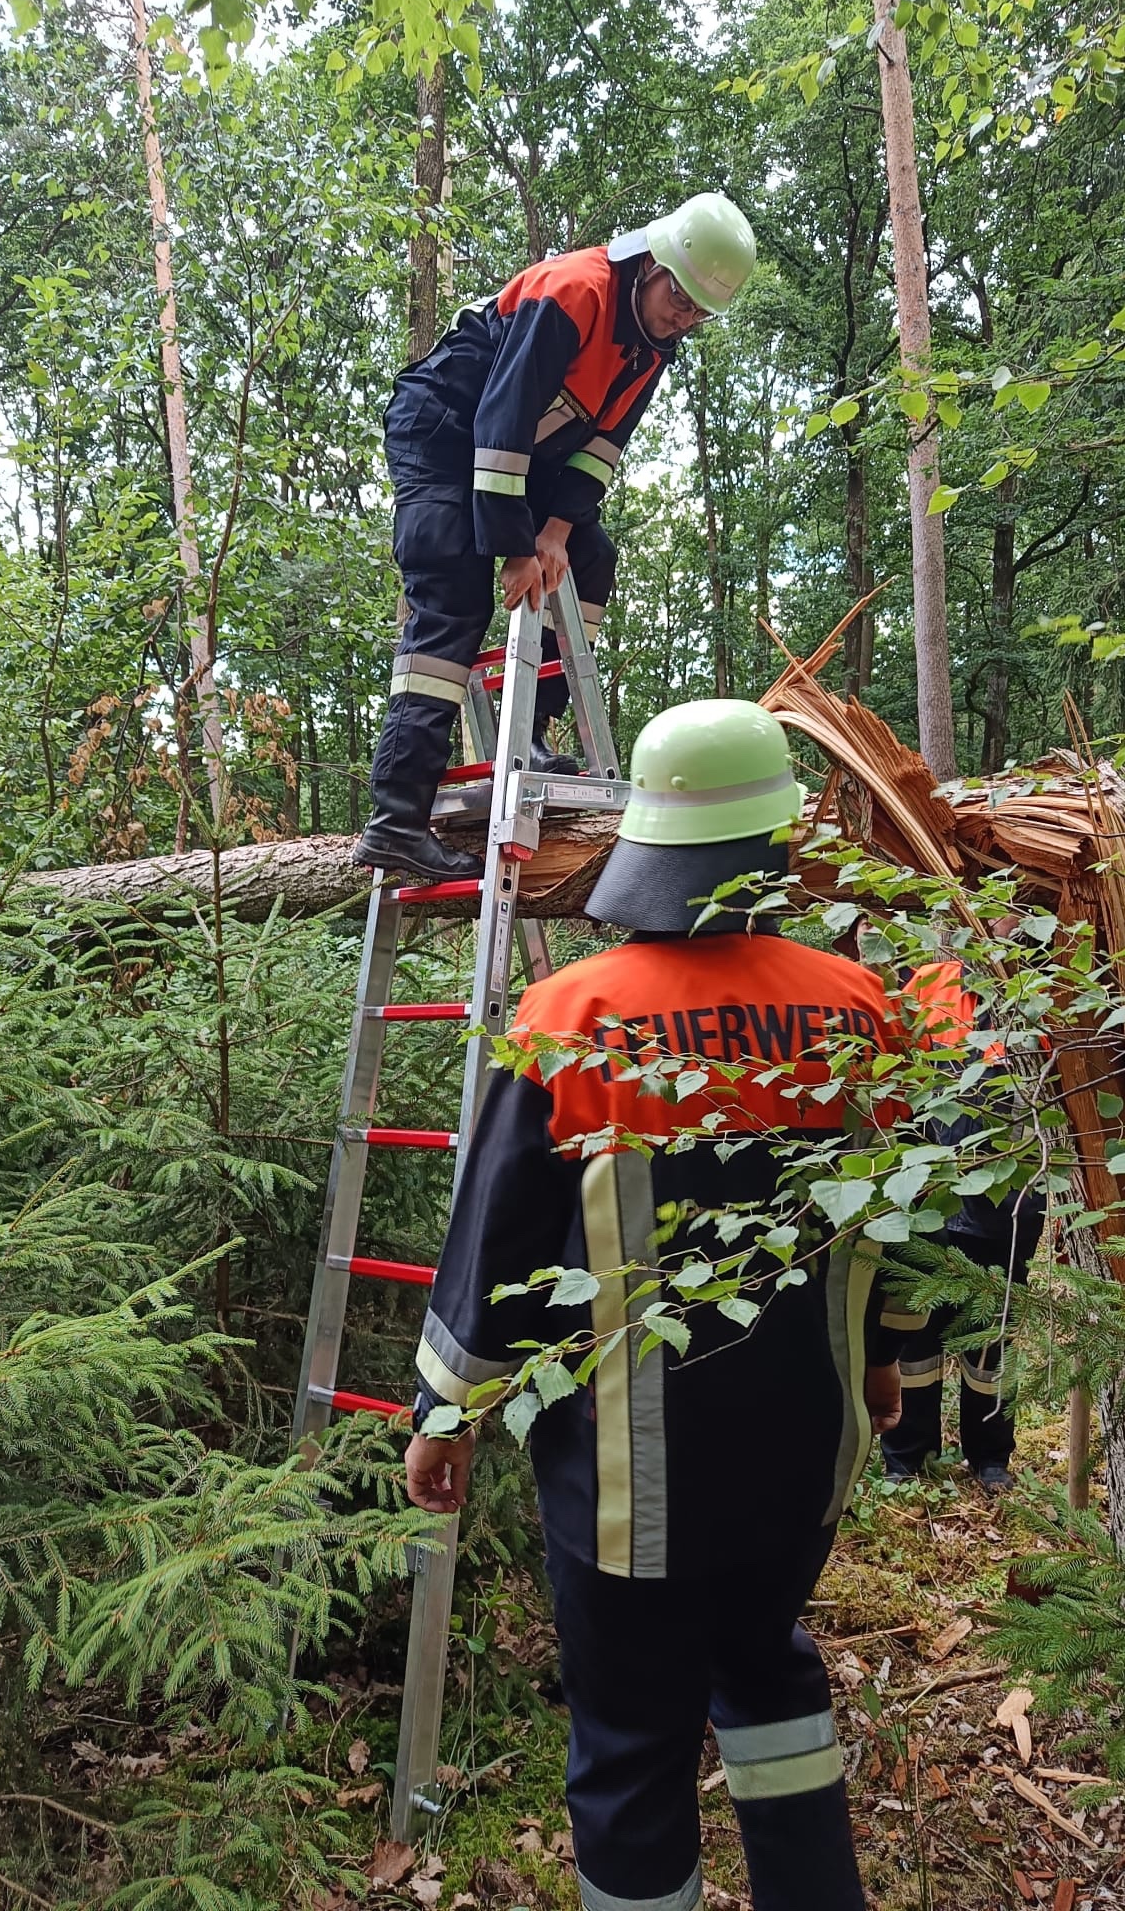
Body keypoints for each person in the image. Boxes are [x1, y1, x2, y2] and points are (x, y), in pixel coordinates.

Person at [404, 699, 907, 1911]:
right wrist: (892, 1358)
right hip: (800, 1467)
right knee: (771, 1674)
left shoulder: (571, 1018)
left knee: (631, 1743)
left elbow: (497, 1237)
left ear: (649, 841)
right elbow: (899, 1222)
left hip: (631, 1503)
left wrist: (446, 1409)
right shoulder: (859, 1009)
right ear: (776, 843)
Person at [356, 195, 757, 882]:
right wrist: (516, 545)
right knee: (453, 592)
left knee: (590, 556)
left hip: (518, 451)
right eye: (680, 300)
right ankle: (395, 820)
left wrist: (557, 530)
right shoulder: (573, 292)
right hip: (446, 432)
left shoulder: (649, 349)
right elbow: (500, 425)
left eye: (699, 313)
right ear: (653, 263)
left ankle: (532, 736)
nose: (684, 319)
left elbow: (601, 450)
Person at [880, 943, 1046, 1493]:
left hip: (1009, 1210)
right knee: (913, 1339)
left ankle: (990, 1456)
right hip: (926, 1204)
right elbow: (896, 1092)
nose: (1007, 923)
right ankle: (907, 1456)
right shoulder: (927, 986)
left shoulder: (1045, 996)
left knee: (991, 1339)